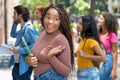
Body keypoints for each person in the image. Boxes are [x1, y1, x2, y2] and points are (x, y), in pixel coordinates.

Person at [26, 4, 74, 80]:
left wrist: (51, 57)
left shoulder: (60, 39)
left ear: (61, 22)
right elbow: (37, 56)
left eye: (56, 19)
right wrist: (28, 60)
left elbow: (66, 72)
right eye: (48, 17)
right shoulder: (42, 34)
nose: (50, 22)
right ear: (43, 17)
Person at [9, 5, 38, 80]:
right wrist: (15, 22)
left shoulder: (29, 28)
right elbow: (13, 34)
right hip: (18, 65)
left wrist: (19, 50)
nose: (13, 16)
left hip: (24, 66)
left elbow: (36, 46)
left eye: (14, 14)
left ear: (20, 15)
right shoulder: (23, 28)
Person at [75, 15, 106, 80]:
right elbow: (82, 54)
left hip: (88, 74)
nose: (77, 25)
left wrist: (85, 55)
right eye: (78, 22)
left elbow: (103, 58)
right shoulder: (84, 40)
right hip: (81, 73)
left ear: (87, 26)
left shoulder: (90, 41)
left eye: (80, 23)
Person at [98, 12, 118, 80]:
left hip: (107, 60)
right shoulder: (98, 34)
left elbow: (115, 52)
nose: (98, 20)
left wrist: (114, 70)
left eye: (101, 19)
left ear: (106, 21)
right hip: (98, 59)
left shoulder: (112, 35)